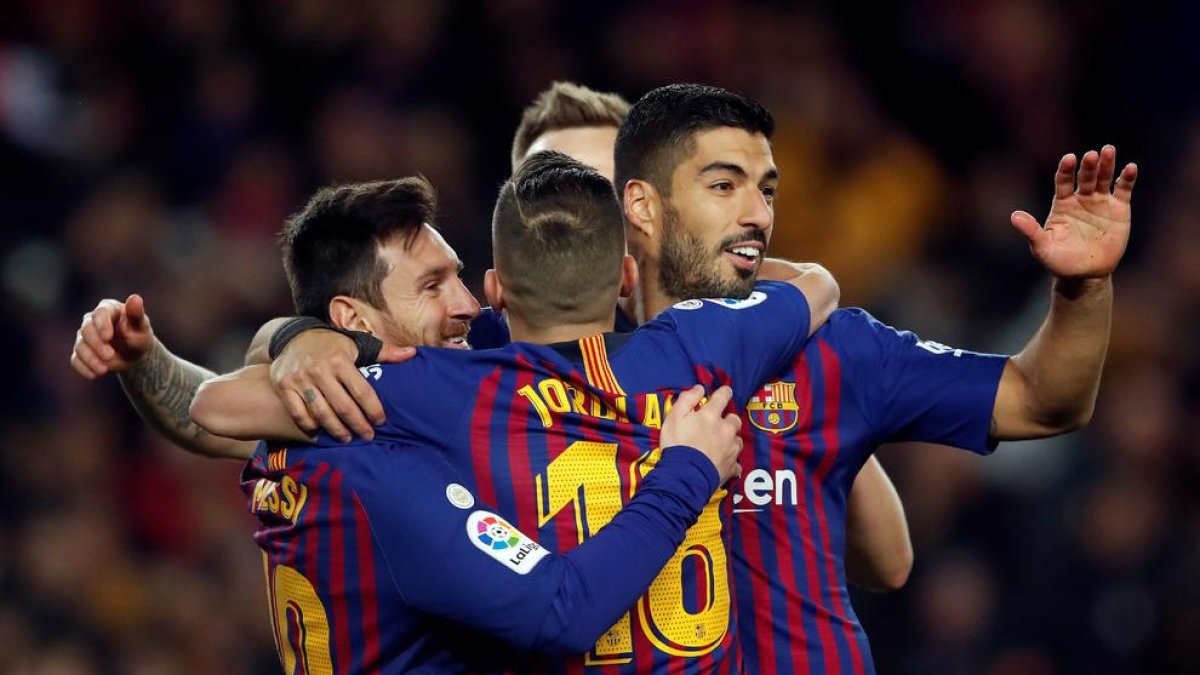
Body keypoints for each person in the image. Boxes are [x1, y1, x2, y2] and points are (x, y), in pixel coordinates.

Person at [190, 151, 839, 671]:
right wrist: (687, 470)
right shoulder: (381, 441)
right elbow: (561, 610)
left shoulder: (333, 405)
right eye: (433, 285)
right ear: (352, 319)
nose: (471, 305)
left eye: (465, 277)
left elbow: (205, 404)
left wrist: (284, 337)